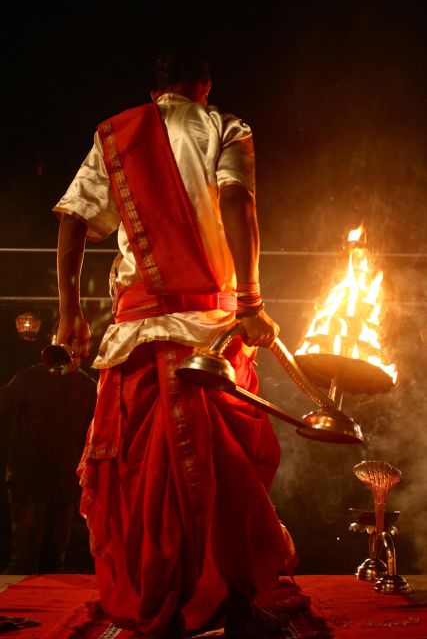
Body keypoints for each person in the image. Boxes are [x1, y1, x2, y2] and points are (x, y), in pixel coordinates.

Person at [53, 52, 296, 638]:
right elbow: (239, 202)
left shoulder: (117, 134)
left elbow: (73, 220)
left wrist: (70, 316)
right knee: (230, 471)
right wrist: (253, 304)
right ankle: (233, 608)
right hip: (213, 331)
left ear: (154, 86)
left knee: (141, 479)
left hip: (138, 333)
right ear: (204, 84)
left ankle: (150, 610)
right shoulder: (225, 127)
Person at [0, 353, 97, 574]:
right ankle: (12, 608)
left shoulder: (87, 386)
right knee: (23, 559)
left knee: (54, 560)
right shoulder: (29, 377)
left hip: (63, 481)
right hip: (29, 479)